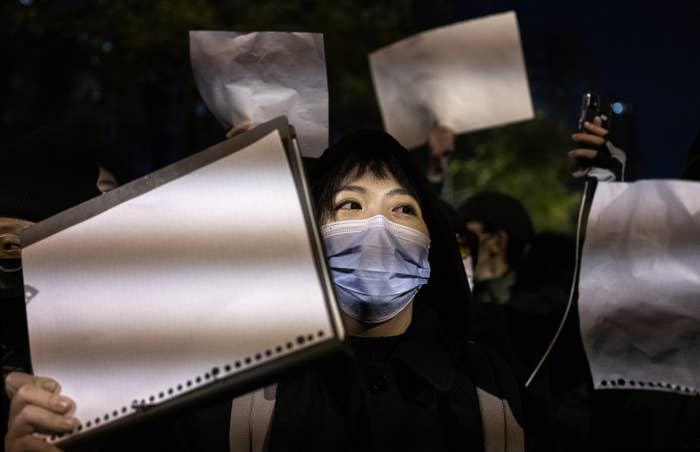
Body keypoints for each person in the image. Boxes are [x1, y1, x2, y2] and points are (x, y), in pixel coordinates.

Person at [5, 130, 526, 452]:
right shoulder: (235, 390)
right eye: (349, 205)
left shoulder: (491, 388)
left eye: (403, 208)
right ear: (309, 235)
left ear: (432, 242)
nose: (378, 226)